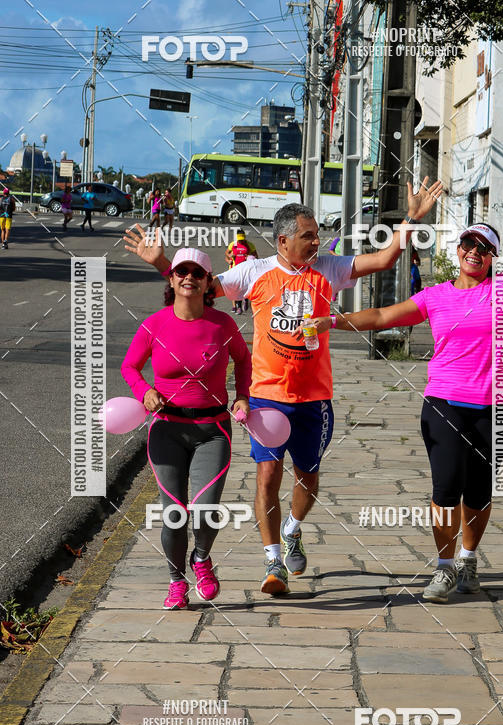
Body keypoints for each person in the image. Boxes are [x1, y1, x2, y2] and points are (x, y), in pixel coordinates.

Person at [125, 178, 443, 595]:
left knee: (307, 480)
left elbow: (383, 260)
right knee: (266, 476)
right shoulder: (254, 272)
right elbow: (195, 286)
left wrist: (411, 219)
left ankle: (293, 529)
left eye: (316, 236)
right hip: (266, 397)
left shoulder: (328, 267)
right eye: (309, 236)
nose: (317, 242)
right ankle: (273, 560)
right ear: (283, 240)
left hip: (315, 400)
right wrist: (162, 263)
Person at [309, 158, 503, 603]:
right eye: (468, 244)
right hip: (444, 403)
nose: (474, 251)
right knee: (445, 487)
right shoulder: (436, 296)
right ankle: (442, 567)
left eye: (484, 247)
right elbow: (382, 316)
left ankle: (469, 559)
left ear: (493, 256)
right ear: (457, 249)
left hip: (495, 407)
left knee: (479, 492)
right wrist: (334, 321)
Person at [121, 248, 251, 610]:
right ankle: (176, 581)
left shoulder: (223, 325)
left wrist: (243, 396)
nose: (188, 277)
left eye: (197, 272)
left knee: (206, 509)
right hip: (167, 430)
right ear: (172, 278)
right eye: (182, 271)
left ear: (209, 282)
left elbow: (244, 360)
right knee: (174, 514)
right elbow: (130, 367)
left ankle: (202, 559)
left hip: (212, 429)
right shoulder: (154, 324)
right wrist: (144, 391)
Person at [225, 230, 256, 314]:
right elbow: (227, 253)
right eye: (239, 239)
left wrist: (249, 257)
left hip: (246, 270)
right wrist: (229, 257)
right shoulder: (233, 244)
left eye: (242, 239)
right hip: (235, 269)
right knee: (236, 288)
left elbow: (256, 256)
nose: (241, 241)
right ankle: (238, 307)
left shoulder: (249, 245)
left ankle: (245, 300)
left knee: (244, 287)